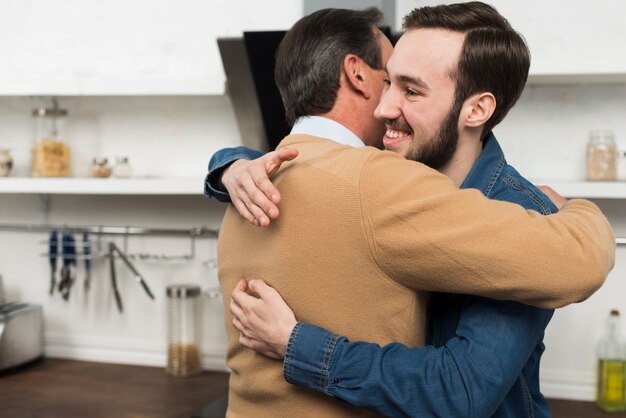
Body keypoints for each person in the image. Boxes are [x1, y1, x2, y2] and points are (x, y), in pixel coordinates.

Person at [210, 6, 614, 418]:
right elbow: (319, 159)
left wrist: (298, 343)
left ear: (476, 110)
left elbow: (461, 392)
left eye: (411, 90)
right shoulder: (365, 181)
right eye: (388, 83)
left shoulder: (524, 212)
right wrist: (230, 165)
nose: (383, 107)